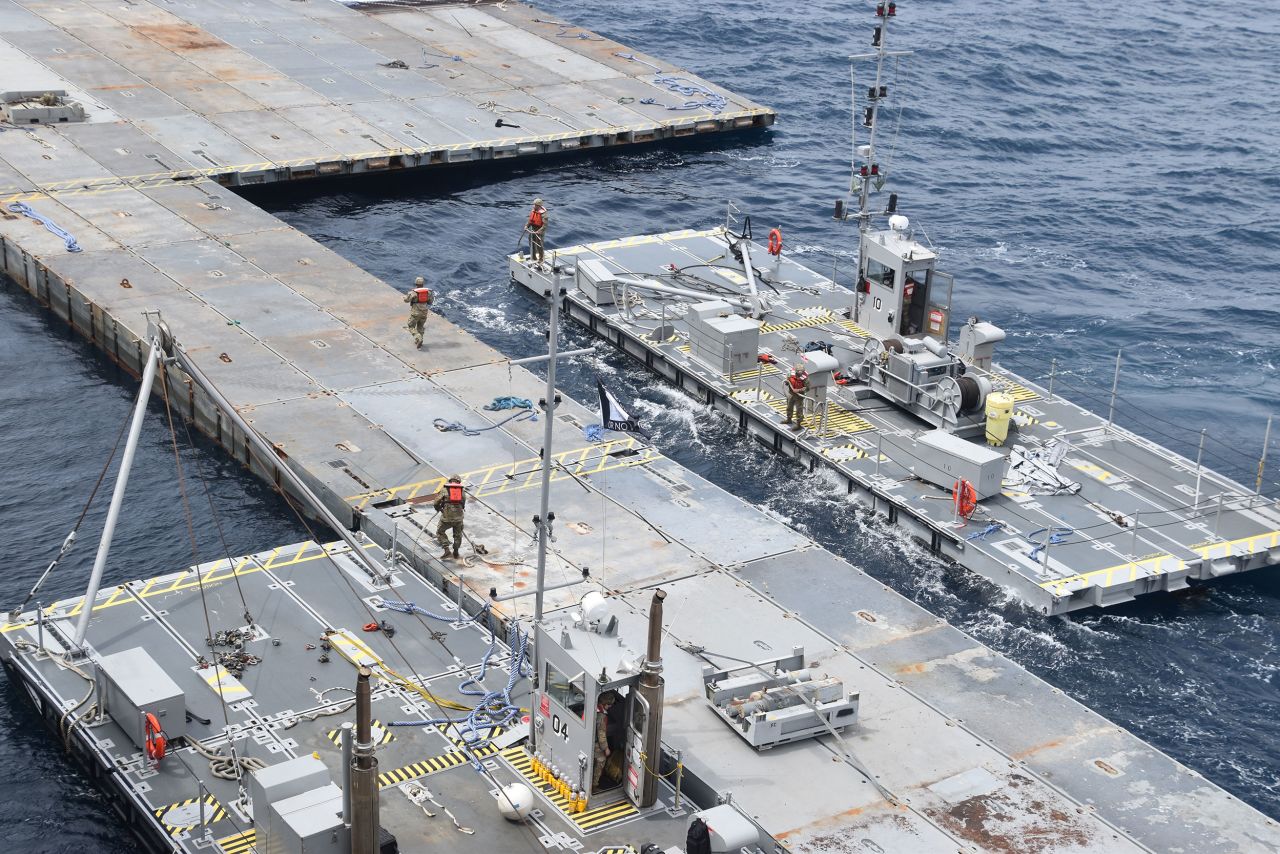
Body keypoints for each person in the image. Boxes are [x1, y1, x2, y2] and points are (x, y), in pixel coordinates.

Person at [434, 474, 465, 559]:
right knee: (458, 535)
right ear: (459, 482)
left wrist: (438, 508)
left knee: (440, 532)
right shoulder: (461, 490)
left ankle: (446, 549)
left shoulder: (445, 489)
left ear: (450, 481)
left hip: (446, 518)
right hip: (458, 518)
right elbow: (463, 503)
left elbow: (436, 502)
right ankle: (456, 551)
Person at [592, 690, 617, 792]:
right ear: (606, 704)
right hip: (596, 744)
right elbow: (601, 734)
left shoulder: (594, 708)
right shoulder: (602, 716)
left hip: (590, 740)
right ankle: (594, 785)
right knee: (601, 761)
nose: (610, 707)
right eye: (610, 705)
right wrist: (606, 748)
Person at [403, 276, 433, 349]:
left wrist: (405, 297)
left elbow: (406, 300)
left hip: (415, 313)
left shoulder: (413, 293)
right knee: (420, 326)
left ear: (416, 283)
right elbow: (430, 302)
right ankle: (420, 341)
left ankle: (418, 338)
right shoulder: (428, 292)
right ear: (423, 284)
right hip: (424, 313)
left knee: (411, 326)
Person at [785, 365, 809, 429]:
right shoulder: (791, 375)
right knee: (789, 406)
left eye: (801, 371)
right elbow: (788, 382)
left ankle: (798, 424)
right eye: (798, 371)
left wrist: (799, 390)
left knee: (799, 409)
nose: (800, 372)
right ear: (796, 371)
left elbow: (807, 388)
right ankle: (789, 419)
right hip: (791, 393)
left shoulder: (805, 378)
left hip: (799, 396)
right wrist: (787, 382)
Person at [526, 199, 547, 265]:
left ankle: (541, 258)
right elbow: (530, 220)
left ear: (539, 206)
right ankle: (533, 256)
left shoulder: (543, 214)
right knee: (531, 242)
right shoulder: (533, 211)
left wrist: (539, 231)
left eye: (536, 205)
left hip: (539, 231)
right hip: (532, 229)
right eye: (534, 204)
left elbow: (545, 225)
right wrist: (527, 226)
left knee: (539, 245)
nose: (534, 206)